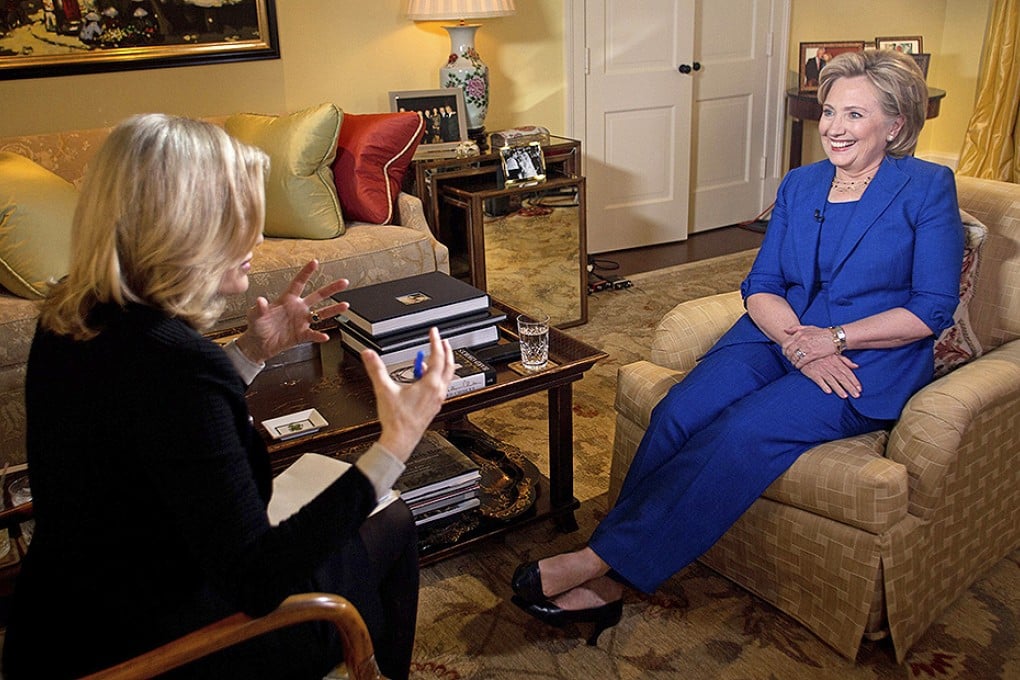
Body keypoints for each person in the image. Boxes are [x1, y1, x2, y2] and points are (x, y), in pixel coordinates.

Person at [510, 49, 964, 645]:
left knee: (741, 431)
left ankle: (600, 567)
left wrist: (830, 338)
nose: (833, 128)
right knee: (679, 411)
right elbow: (762, 284)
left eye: (854, 115)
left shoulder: (927, 187)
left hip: (862, 358)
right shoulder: (802, 184)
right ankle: (616, 568)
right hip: (777, 335)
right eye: (828, 112)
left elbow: (931, 306)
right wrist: (797, 341)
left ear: (895, 125)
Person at [2, 114, 456, 679]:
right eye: (239, 219)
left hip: (61, 622)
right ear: (185, 229)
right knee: (392, 524)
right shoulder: (180, 365)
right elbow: (259, 580)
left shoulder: (72, 313)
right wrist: (397, 442)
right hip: (158, 648)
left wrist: (251, 351)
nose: (258, 238)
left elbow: (161, 433)